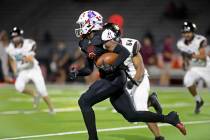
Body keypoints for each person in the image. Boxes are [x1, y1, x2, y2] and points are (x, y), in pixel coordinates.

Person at [70, 10, 186, 140]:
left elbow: (124, 52)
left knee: (84, 101)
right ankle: (169, 118)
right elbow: (89, 69)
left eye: (82, 24)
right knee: (132, 116)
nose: (80, 27)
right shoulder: (84, 43)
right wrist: (78, 72)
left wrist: (113, 66)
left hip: (116, 78)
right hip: (110, 80)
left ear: (90, 24)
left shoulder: (103, 36)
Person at [104, 23, 164, 140]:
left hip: (138, 78)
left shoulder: (130, 45)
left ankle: (159, 137)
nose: (105, 40)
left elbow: (140, 68)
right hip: (123, 81)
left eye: (108, 37)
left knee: (141, 109)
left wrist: (133, 82)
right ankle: (151, 101)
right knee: (130, 116)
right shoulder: (104, 48)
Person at [6, 27, 55, 114]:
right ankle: (34, 94)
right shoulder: (10, 48)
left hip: (33, 69)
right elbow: (11, 60)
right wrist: (15, 70)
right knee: (18, 86)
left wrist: (22, 57)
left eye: (16, 36)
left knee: (42, 90)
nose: (15, 39)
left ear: (21, 36)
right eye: (13, 37)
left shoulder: (29, 43)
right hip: (22, 70)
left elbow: (30, 58)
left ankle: (51, 108)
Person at [177, 21, 210, 114]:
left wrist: (191, 56)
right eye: (184, 32)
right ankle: (199, 100)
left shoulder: (200, 39)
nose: (186, 34)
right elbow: (183, 53)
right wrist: (184, 62)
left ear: (193, 32)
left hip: (205, 67)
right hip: (194, 67)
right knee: (187, 81)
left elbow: (203, 56)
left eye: (188, 32)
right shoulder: (180, 43)